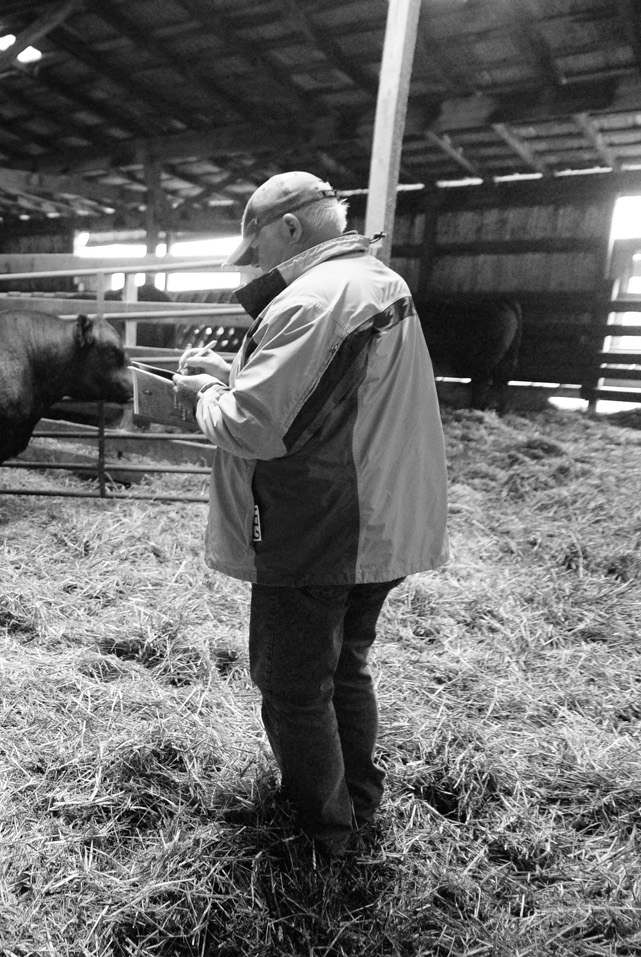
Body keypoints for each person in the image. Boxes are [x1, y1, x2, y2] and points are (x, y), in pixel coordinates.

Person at [172, 171, 449, 858]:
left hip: (324, 524)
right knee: (344, 666)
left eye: (259, 247)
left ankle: (326, 835)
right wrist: (239, 375)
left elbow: (258, 428)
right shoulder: (371, 280)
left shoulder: (317, 297)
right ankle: (358, 801)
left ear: (290, 229)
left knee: (293, 686)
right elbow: (325, 401)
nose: (259, 264)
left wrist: (206, 395)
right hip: (376, 514)